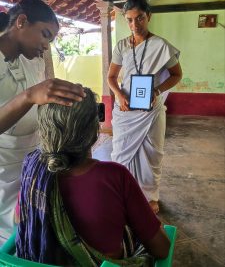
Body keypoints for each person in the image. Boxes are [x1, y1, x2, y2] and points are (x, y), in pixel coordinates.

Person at [15, 88, 170, 266]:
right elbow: (161, 248)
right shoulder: (114, 176)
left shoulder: (33, 171)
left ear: (44, 129)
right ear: (95, 129)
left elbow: (19, 220)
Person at [0, 0, 85, 244]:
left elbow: (39, 103)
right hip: (3, 165)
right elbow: (30, 98)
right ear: (22, 21)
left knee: (32, 225)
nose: (46, 46)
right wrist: (29, 96)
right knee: (8, 236)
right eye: (45, 35)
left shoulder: (33, 62)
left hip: (33, 159)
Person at [107, 0, 182, 214]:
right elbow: (111, 77)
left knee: (152, 154)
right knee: (121, 153)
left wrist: (157, 91)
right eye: (129, 20)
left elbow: (177, 74)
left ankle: (150, 197)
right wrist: (120, 96)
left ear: (148, 16)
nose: (134, 25)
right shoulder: (122, 46)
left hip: (151, 110)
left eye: (139, 18)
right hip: (126, 109)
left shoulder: (161, 46)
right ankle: (123, 192)